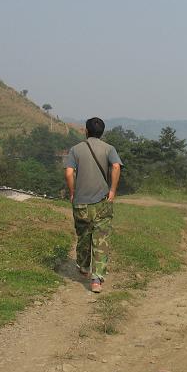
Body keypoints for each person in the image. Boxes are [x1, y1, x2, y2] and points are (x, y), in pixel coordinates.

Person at [64, 117, 123, 293]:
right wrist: (112, 190)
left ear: (86, 131)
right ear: (102, 132)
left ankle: (83, 266)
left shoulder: (75, 150)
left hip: (81, 202)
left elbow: (68, 172)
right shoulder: (109, 149)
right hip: (103, 201)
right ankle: (96, 280)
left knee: (83, 234)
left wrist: (73, 191)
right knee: (101, 238)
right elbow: (116, 167)